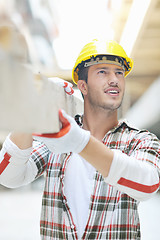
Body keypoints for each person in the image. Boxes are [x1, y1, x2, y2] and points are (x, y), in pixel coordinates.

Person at [0, 39, 160, 240]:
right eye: (102, 72)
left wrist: (78, 142)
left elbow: (147, 185)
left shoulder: (139, 140)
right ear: (82, 86)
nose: (114, 79)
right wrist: (30, 110)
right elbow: (8, 176)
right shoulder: (57, 140)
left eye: (119, 72)